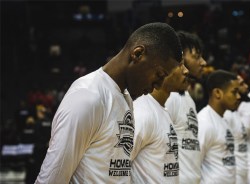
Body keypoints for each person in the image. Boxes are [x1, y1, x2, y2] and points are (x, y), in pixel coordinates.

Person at [35, 22, 183, 183]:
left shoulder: (125, 98)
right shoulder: (88, 96)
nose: (159, 85)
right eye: (159, 74)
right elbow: (50, 179)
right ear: (138, 53)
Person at [131, 59, 189, 183]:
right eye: (180, 65)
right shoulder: (141, 113)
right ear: (162, 71)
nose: (186, 70)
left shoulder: (163, 111)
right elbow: (116, 167)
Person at [164, 31, 206, 184]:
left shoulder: (187, 97)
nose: (203, 62)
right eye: (196, 57)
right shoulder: (169, 97)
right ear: (179, 56)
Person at [197, 70, 241, 183]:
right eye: (234, 92)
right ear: (217, 93)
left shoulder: (223, 119)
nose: (238, 96)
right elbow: (193, 164)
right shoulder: (204, 122)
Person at [223, 75, 250, 184]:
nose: (246, 86)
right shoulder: (227, 115)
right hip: (234, 173)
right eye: (242, 84)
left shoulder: (236, 113)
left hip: (244, 171)